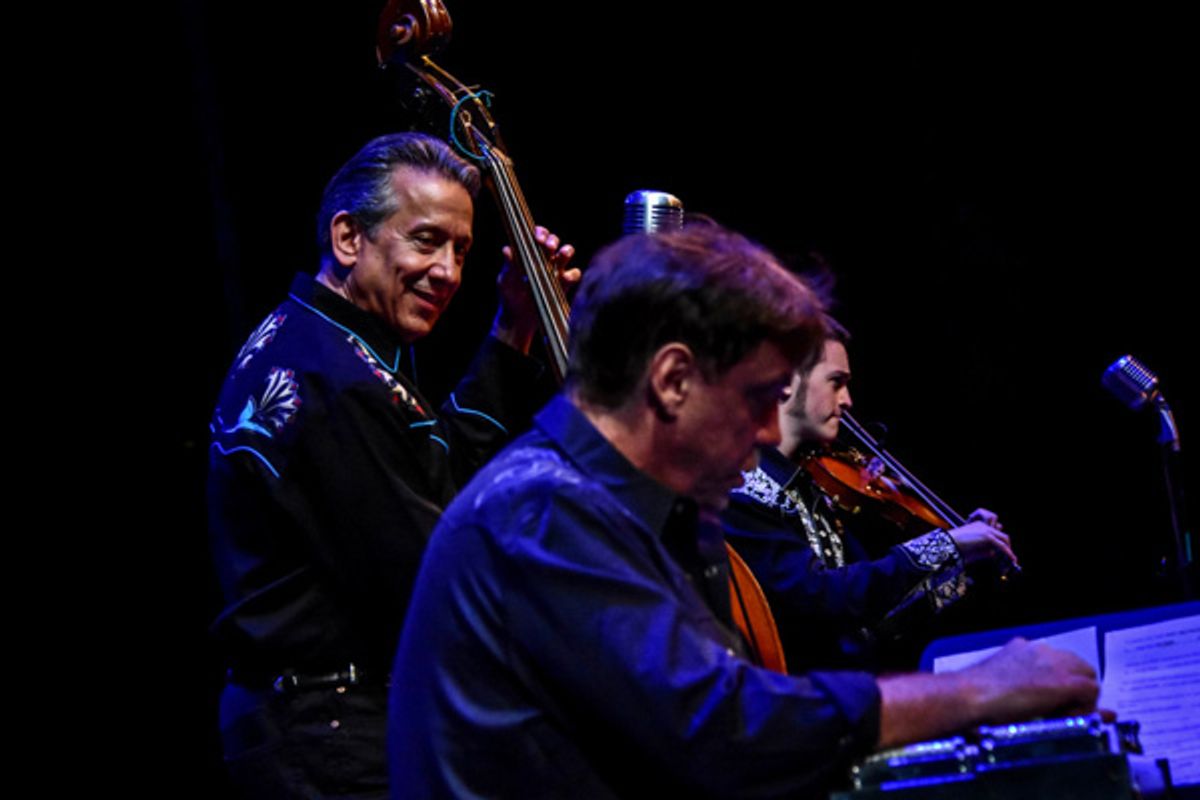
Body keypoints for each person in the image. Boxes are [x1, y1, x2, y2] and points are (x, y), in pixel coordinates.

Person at [387, 225, 1098, 799]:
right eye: (758, 397)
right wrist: (982, 690)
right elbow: (724, 728)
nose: (767, 433)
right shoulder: (542, 511)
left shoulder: (620, 509)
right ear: (672, 380)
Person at [207, 132, 575, 798]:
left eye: (462, 250)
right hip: (331, 731)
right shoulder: (332, 376)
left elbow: (441, 466)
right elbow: (431, 568)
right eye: (426, 241)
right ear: (349, 239)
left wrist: (514, 331)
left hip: (326, 722)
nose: (449, 273)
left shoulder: (323, 344)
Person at [723, 318, 1017, 673]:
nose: (847, 401)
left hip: (850, 695)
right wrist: (944, 545)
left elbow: (872, 617)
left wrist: (960, 569)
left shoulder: (809, 488)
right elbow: (823, 596)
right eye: (837, 383)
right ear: (787, 380)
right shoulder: (741, 487)